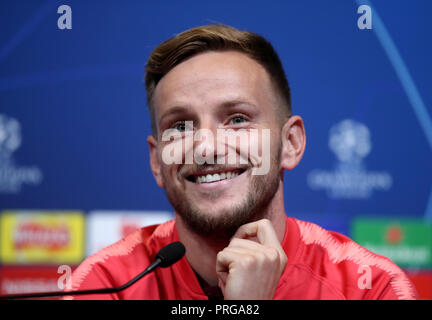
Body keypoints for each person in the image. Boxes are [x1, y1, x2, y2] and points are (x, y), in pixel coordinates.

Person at [68, 24, 418, 300]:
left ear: (290, 143)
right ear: (158, 161)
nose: (206, 148)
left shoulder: (372, 289)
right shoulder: (105, 284)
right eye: (179, 126)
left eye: (237, 119)